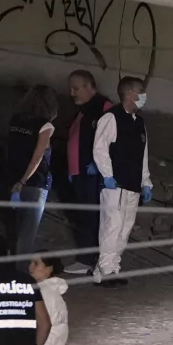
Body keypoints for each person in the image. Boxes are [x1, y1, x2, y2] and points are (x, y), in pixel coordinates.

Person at [92, 76, 152, 288]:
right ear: (129, 93)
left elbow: (143, 154)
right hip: (115, 184)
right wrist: (107, 175)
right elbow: (100, 148)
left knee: (124, 228)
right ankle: (106, 269)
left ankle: (110, 268)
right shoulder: (111, 118)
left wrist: (146, 181)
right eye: (140, 91)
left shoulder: (140, 123)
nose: (143, 95)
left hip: (133, 184)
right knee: (111, 226)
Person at [65, 70, 113, 276]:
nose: (71, 92)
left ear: (89, 86)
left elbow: (113, 140)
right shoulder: (83, 110)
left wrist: (97, 163)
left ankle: (93, 260)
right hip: (80, 173)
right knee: (84, 216)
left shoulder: (104, 108)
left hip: (93, 175)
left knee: (93, 217)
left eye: (75, 88)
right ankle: (88, 258)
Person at [6, 85, 58, 269]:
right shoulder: (45, 126)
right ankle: (20, 273)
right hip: (34, 183)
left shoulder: (15, 120)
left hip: (12, 180)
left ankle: (10, 267)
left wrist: (17, 181)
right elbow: (38, 155)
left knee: (15, 229)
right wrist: (24, 180)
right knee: (27, 233)